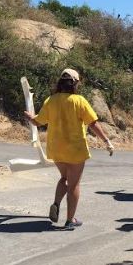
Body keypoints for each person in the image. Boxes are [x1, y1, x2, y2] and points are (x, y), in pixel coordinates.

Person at [24, 68, 114, 229]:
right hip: (75, 149)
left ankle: (56, 204)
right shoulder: (79, 101)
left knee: (64, 178)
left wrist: (31, 117)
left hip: (56, 148)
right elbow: (93, 123)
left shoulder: (51, 100)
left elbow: (38, 122)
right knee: (74, 184)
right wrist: (106, 141)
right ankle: (69, 220)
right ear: (76, 83)